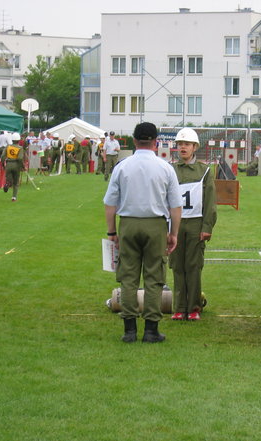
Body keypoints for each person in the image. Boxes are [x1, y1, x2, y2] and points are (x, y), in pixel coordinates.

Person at [103, 122, 182, 343]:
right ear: (156, 142)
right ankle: (151, 330)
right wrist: (173, 233)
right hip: (155, 224)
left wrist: (111, 232)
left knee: (128, 277)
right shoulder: (165, 167)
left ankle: (129, 330)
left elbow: (110, 204)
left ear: (134, 141)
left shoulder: (122, 166)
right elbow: (175, 206)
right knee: (154, 278)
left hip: (128, 223)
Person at [169, 128, 217, 321]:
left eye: (187, 144)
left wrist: (207, 227)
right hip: (176, 225)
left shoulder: (204, 171)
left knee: (194, 266)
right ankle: (179, 307)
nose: (183, 147)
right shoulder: (170, 170)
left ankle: (194, 307)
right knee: (177, 266)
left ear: (195, 147)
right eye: (180, 144)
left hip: (196, 224)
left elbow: (210, 201)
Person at [0, 132, 27, 202]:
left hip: (8, 164)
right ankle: (14, 197)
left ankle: (7, 183)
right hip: (16, 165)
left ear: (12, 140)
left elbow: (3, 156)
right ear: (19, 140)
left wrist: (2, 164)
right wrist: (23, 166)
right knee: (16, 182)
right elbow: (20, 158)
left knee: (9, 179)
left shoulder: (8, 147)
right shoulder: (20, 148)